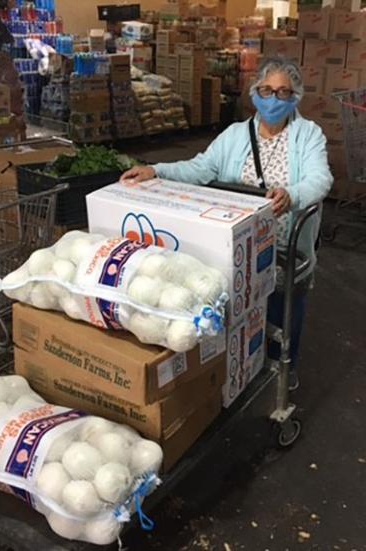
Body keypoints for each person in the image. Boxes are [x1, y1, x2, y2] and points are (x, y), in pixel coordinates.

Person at [121, 56, 334, 390]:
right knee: (236, 307)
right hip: (238, 243)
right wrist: (157, 170)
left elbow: (320, 179)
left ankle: (283, 365)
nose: (273, 99)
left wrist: (291, 195)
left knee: (284, 310)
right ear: (254, 92)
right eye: (266, 90)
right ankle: (240, 363)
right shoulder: (236, 135)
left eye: (282, 92)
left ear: (295, 96)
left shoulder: (308, 135)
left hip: (283, 245)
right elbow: (200, 168)